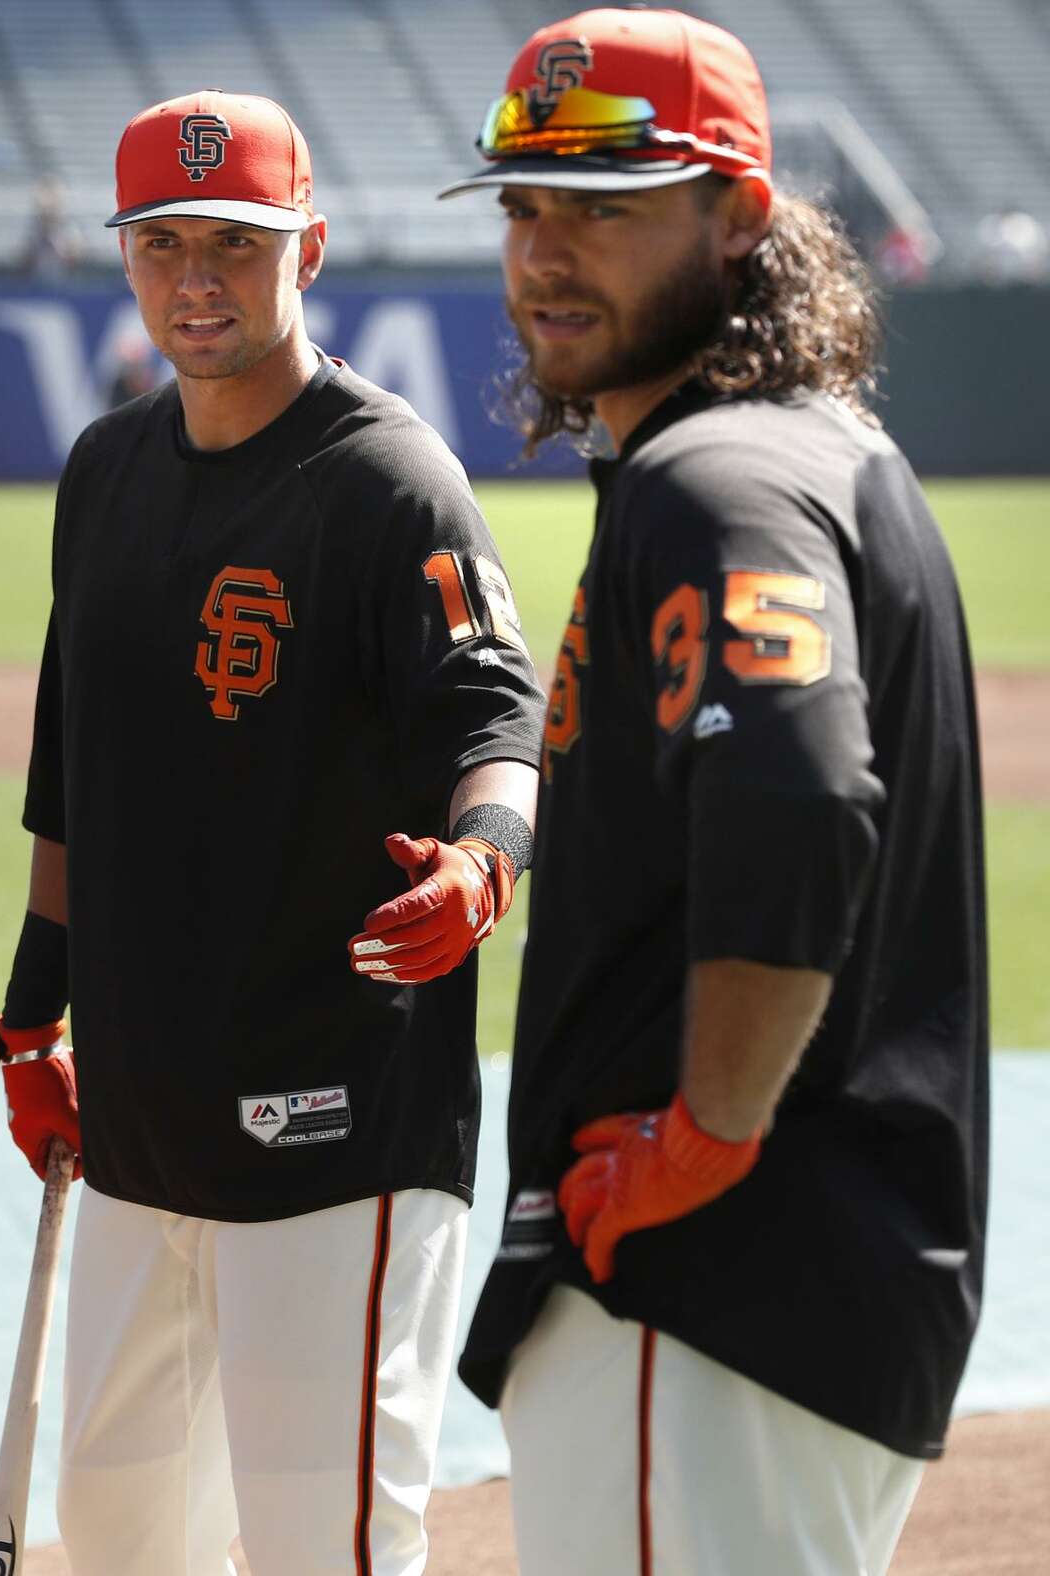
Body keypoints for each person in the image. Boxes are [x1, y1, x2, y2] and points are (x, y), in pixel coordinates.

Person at [439, 10, 988, 1575]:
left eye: (606, 204)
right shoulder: (820, 453)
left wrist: (705, 1135)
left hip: (707, 1289)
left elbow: (804, 794)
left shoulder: (718, 476)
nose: (546, 250)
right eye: (524, 203)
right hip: (803, 1296)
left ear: (743, 217)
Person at [0, 90, 544, 1576]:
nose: (194, 279)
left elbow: (499, 721)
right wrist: (30, 1013)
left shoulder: (385, 479)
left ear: (304, 244)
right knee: (119, 1541)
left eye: (231, 244)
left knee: (325, 1550)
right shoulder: (105, 470)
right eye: (161, 243)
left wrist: (484, 865)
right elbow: (71, 772)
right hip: (137, 1129)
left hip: (335, 1128)